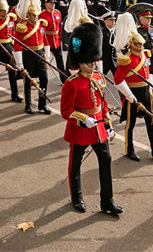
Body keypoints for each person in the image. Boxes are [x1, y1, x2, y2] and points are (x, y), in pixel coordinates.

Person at [60, 22, 122, 215]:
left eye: (94, 61)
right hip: (80, 129)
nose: (93, 64)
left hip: (98, 129)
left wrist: (108, 125)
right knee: (75, 164)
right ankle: (76, 197)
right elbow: (66, 110)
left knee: (106, 160)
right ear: (80, 62)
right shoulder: (72, 84)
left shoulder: (98, 78)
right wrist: (81, 119)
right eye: (89, 62)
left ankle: (107, 201)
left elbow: (102, 104)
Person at [113, 13, 153, 161]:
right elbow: (118, 80)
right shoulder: (126, 60)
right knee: (131, 124)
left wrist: (150, 88)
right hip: (132, 92)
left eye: (142, 44)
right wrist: (129, 96)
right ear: (132, 44)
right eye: (138, 45)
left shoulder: (145, 55)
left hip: (144, 91)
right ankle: (129, 149)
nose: (141, 47)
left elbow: (148, 71)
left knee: (151, 121)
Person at [12, 0, 50, 115]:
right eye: (33, 15)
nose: (35, 17)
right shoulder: (21, 27)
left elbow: (45, 40)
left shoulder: (40, 24)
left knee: (44, 79)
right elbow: (17, 45)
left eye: (36, 15)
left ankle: (42, 104)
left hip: (39, 54)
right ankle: (28, 104)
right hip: (28, 55)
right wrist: (19, 63)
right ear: (28, 15)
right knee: (28, 81)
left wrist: (47, 54)